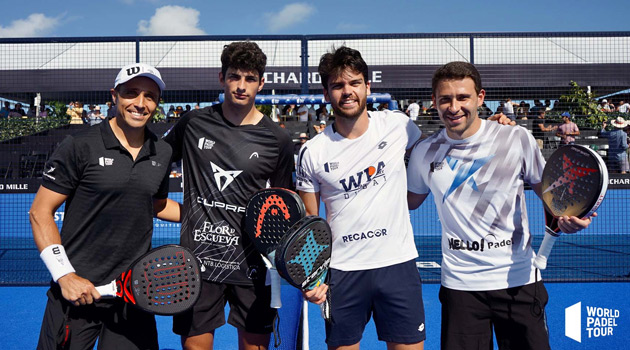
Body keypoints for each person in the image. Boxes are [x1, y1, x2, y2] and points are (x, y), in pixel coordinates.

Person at [406, 61, 594, 350]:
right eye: (445, 99)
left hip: (519, 281)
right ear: (434, 102)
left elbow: (550, 194)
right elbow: (409, 201)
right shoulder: (424, 152)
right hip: (461, 287)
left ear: (480, 98)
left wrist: (568, 218)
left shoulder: (516, 138)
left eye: (462, 97)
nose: (454, 107)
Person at [30, 63, 181, 350]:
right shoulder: (80, 144)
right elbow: (40, 212)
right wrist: (65, 276)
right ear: (115, 96)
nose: (140, 103)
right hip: (75, 293)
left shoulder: (162, 151)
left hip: (133, 294)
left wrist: (203, 216)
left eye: (149, 96)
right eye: (131, 93)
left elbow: (157, 206)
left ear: (158, 103)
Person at [164, 41, 294, 350]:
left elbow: (284, 203)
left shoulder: (278, 139)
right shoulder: (193, 123)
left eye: (250, 79)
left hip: (251, 264)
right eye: (235, 76)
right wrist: (187, 213)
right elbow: (153, 165)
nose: (241, 86)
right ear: (221, 77)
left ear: (261, 83)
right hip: (197, 264)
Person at [296, 46, 426, 350]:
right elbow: (309, 223)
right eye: (338, 86)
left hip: (397, 264)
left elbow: (441, 147)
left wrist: (489, 129)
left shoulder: (398, 126)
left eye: (354, 83)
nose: (347, 92)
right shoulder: (313, 151)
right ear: (327, 94)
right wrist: (313, 279)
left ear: (368, 87)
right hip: (343, 272)